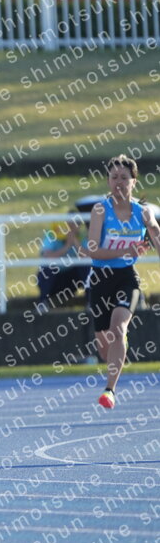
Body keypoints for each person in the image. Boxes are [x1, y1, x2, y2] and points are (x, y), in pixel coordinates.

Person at [82, 155, 160, 409]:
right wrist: (126, 250)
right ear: (108, 181)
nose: (118, 182)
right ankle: (119, 343)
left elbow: (155, 234)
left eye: (124, 178)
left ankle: (109, 391)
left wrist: (153, 231)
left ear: (133, 182)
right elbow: (93, 250)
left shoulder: (143, 211)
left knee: (118, 329)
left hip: (127, 278)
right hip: (100, 279)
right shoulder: (100, 210)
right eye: (114, 177)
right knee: (104, 348)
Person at [34, 213, 88, 313]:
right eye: (70, 224)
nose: (72, 227)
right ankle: (42, 302)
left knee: (85, 266)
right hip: (54, 281)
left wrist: (75, 241)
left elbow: (87, 257)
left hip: (71, 280)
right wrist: (67, 246)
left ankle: (90, 301)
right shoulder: (52, 234)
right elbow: (47, 256)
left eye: (76, 224)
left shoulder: (81, 237)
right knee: (48, 268)